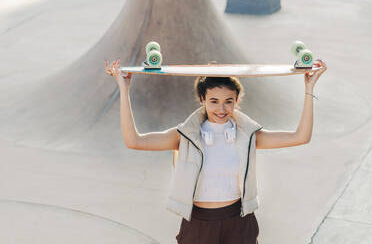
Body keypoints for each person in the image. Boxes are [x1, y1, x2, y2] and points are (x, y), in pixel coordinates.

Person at [105, 59, 327, 244]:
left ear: (237, 101)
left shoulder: (248, 135)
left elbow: (300, 137)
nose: (221, 109)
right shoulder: (184, 136)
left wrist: (309, 89)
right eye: (213, 101)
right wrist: (124, 90)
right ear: (202, 99)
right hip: (199, 226)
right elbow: (134, 141)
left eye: (228, 101)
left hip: (239, 223)